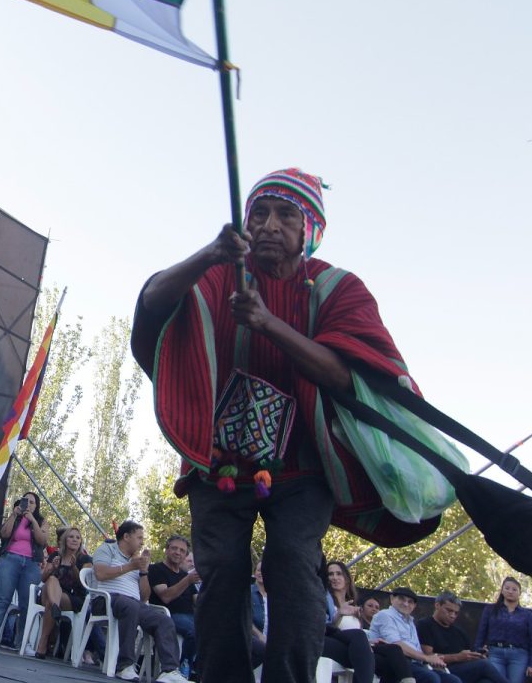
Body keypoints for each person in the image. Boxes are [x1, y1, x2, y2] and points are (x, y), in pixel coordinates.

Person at [131, 168, 427, 683]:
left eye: (286, 214)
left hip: (305, 466)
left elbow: (350, 375)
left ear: (309, 228)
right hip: (218, 461)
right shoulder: (221, 272)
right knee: (221, 572)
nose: (269, 225)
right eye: (258, 214)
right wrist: (209, 253)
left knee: (293, 564)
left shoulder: (337, 288)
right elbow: (154, 304)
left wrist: (268, 323)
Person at [90, 520, 185, 683]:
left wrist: (143, 572)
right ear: (126, 536)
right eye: (139, 537)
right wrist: (130, 566)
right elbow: (100, 574)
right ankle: (125, 665)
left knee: (164, 620)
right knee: (131, 606)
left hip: (134, 603)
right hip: (106, 598)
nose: (142, 542)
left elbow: (144, 597)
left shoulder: (138, 560)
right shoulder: (107, 549)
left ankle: (169, 670)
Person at [321, 560, 409, 683]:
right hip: (331, 642)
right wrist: (339, 614)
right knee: (359, 636)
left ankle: (409, 680)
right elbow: (325, 628)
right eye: (330, 574)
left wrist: (370, 642)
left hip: (356, 647)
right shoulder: (325, 598)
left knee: (392, 652)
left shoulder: (353, 604)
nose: (334, 577)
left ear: (347, 578)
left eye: (338, 574)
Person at [0, 491, 48, 649]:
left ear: (36, 506)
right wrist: (13, 515)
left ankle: (23, 642)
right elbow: (4, 534)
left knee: (27, 603)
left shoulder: (41, 521)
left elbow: (43, 541)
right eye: (26, 501)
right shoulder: (16, 516)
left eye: (32, 502)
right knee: (2, 597)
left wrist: (32, 521)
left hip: (31, 563)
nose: (29, 504)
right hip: (10, 558)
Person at [370, 586, 461, 683]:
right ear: (392, 598)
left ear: (414, 606)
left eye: (410, 602)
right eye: (402, 599)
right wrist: (426, 658)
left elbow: (416, 649)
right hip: (394, 663)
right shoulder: (385, 615)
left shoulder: (410, 621)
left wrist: (434, 658)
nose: (406, 604)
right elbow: (396, 644)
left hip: (416, 663)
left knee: (453, 680)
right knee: (431, 679)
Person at [418, 591, 509, 683]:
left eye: (456, 613)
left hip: (465, 669)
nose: (452, 615)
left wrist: (479, 655)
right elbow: (428, 656)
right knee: (484, 665)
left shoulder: (459, 631)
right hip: (441, 670)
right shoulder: (425, 625)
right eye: (449, 611)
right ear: (437, 605)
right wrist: (457, 657)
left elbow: (470, 652)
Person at [32, 526, 93, 660]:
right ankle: (55, 607)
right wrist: (52, 568)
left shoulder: (85, 560)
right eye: (71, 537)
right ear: (65, 540)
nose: (74, 540)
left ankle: (43, 643)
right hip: (51, 592)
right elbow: (43, 578)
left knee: (50, 602)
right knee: (52, 579)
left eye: (77, 537)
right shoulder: (55, 556)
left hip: (72, 598)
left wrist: (74, 568)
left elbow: (84, 583)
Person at [149, 534, 199, 675]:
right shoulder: (156, 569)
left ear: (185, 555)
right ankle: (183, 668)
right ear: (166, 550)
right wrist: (188, 580)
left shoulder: (184, 575)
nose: (178, 552)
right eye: (174, 548)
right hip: (167, 615)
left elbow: (198, 601)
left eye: (182, 551)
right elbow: (165, 597)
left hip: (190, 616)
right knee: (196, 631)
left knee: (214, 631)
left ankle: (199, 671)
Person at [474, 577, 532, 683]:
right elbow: (481, 633)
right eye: (507, 588)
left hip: (519, 655)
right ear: (502, 590)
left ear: (519, 593)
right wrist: (477, 651)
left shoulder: (527, 615)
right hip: (495, 653)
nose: (510, 591)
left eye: (514, 589)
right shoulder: (490, 610)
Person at [251, 560, 268, 668]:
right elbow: (244, 619)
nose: (261, 573)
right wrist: (259, 635)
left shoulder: (276, 594)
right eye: (258, 570)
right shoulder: (248, 592)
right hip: (255, 638)